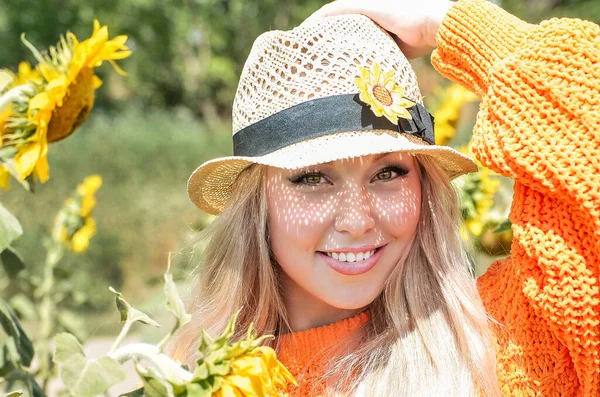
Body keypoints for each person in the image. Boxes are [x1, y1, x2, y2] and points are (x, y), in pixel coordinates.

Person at [174, 0, 600, 395]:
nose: (357, 220)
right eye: (311, 178)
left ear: (424, 185)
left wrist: (443, 23)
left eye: (388, 172)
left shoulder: (504, 342)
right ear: (257, 204)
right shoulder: (194, 378)